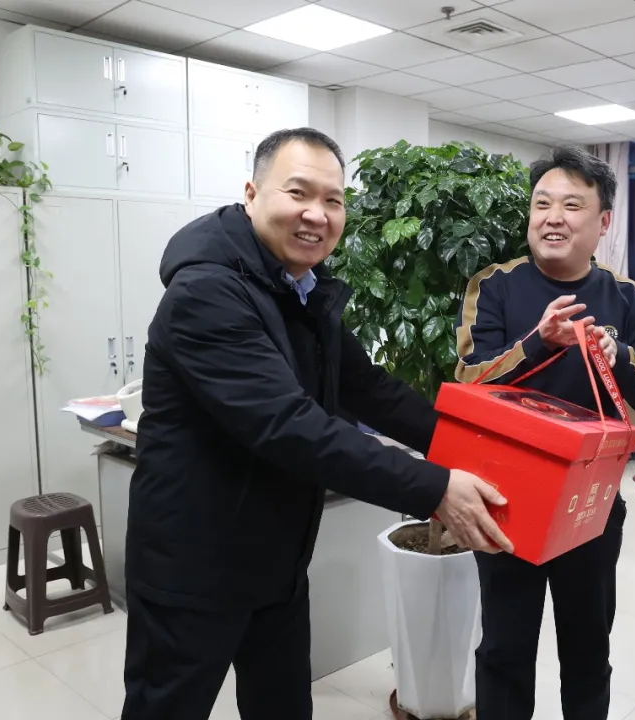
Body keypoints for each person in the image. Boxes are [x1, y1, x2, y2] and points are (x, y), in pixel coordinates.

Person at [121, 128, 512, 720]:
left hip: (275, 558)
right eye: (298, 193)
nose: (317, 215)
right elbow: (290, 425)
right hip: (194, 565)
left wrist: (470, 446)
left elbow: (368, 388)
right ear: (252, 193)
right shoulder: (206, 293)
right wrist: (435, 487)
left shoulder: (299, 288)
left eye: (333, 200)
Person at [455, 144, 635, 719]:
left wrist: (617, 354)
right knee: (504, 649)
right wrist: (537, 342)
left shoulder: (628, 298)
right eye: (542, 203)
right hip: (505, 502)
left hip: (591, 505)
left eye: (571, 205)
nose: (552, 218)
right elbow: (469, 378)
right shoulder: (495, 285)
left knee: (587, 648)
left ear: (603, 222)